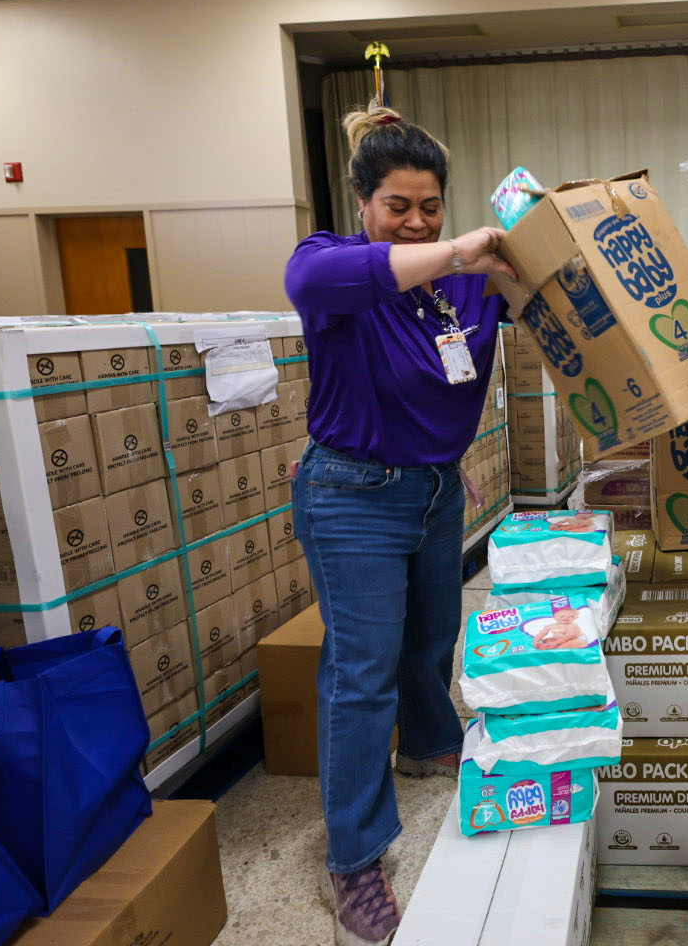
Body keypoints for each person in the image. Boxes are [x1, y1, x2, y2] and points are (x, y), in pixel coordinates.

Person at [284, 101, 514, 946]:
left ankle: (426, 743)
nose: (416, 219)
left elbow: (561, 306)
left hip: (433, 490)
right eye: (397, 206)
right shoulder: (330, 263)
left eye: (430, 206)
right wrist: (456, 249)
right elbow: (311, 286)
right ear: (363, 203)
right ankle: (354, 857)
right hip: (352, 494)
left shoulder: (470, 281)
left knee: (430, 642)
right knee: (362, 672)